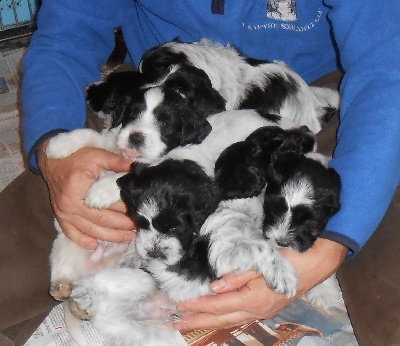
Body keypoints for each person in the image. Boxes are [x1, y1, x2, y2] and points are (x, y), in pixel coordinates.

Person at [4, 0, 399, 337]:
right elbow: (66, 36)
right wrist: (53, 152)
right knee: (39, 242)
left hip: (310, 106)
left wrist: (332, 245)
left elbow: (386, 71)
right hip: (164, 106)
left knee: (383, 264)